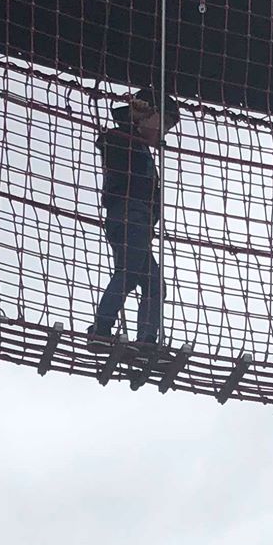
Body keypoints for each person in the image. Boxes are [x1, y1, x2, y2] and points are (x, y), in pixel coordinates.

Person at [88, 87, 180, 350]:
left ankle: (145, 339)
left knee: (154, 284)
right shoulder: (122, 139)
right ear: (147, 115)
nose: (162, 133)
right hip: (129, 216)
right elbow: (108, 144)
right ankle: (102, 329)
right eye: (163, 124)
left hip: (137, 221)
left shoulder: (139, 147)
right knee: (130, 273)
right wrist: (131, 120)